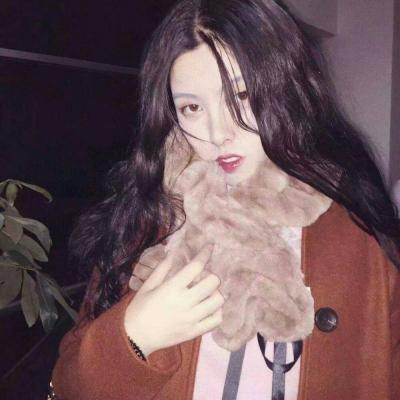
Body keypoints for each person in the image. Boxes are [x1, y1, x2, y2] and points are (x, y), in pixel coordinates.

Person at [51, 0, 400, 399]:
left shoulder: (359, 234)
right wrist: (135, 337)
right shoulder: (148, 220)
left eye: (241, 95)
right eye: (192, 107)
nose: (218, 133)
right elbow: (69, 386)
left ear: (286, 89)